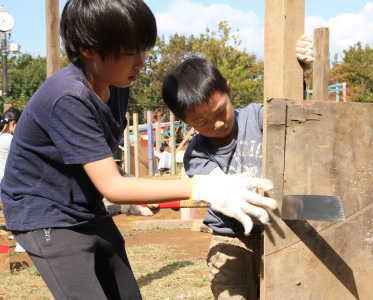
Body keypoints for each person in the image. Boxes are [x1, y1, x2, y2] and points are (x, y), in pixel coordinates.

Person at [0, 1, 276, 299]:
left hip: (85, 206)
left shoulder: (117, 84)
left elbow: (98, 160)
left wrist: (138, 191)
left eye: (143, 49)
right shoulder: (67, 97)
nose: (142, 62)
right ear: (88, 49)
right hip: (46, 214)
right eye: (130, 52)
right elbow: (113, 188)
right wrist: (204, 186)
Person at [162, 44, 313, 299]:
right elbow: (219, 187)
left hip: (281, 231)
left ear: (229, 90)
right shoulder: (197, 154)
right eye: (201, 122)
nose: (217, 123)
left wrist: (305, 76)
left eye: (221, 110)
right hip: (230, 239)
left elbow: (297, 117)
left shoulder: (259, 117)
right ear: (185, 122)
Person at [0, 108, 25, 252]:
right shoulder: (12, 141)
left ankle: (4, 248)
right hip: (9, 182)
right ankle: (20, 247)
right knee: (19, 212)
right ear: (13, 124)